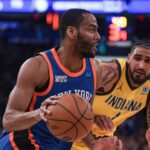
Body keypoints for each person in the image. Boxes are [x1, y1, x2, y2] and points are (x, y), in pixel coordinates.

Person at [0, 8, 121, 150]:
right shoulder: (38, 66)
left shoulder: (95, 69)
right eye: (91, 30)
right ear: (71, 32)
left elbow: (77, 119)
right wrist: (39, 114)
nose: (98, 36)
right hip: (22, 143)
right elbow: (8, 121)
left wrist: (93, 144)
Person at [72, 39, 150, 150]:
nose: (141, 65)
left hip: (103, 142)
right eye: (137, 58)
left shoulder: (148, 86)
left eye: (148, 61)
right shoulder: (110, 74)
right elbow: (67, 103)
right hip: (70, 136)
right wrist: (90, 116)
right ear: (128, 58)